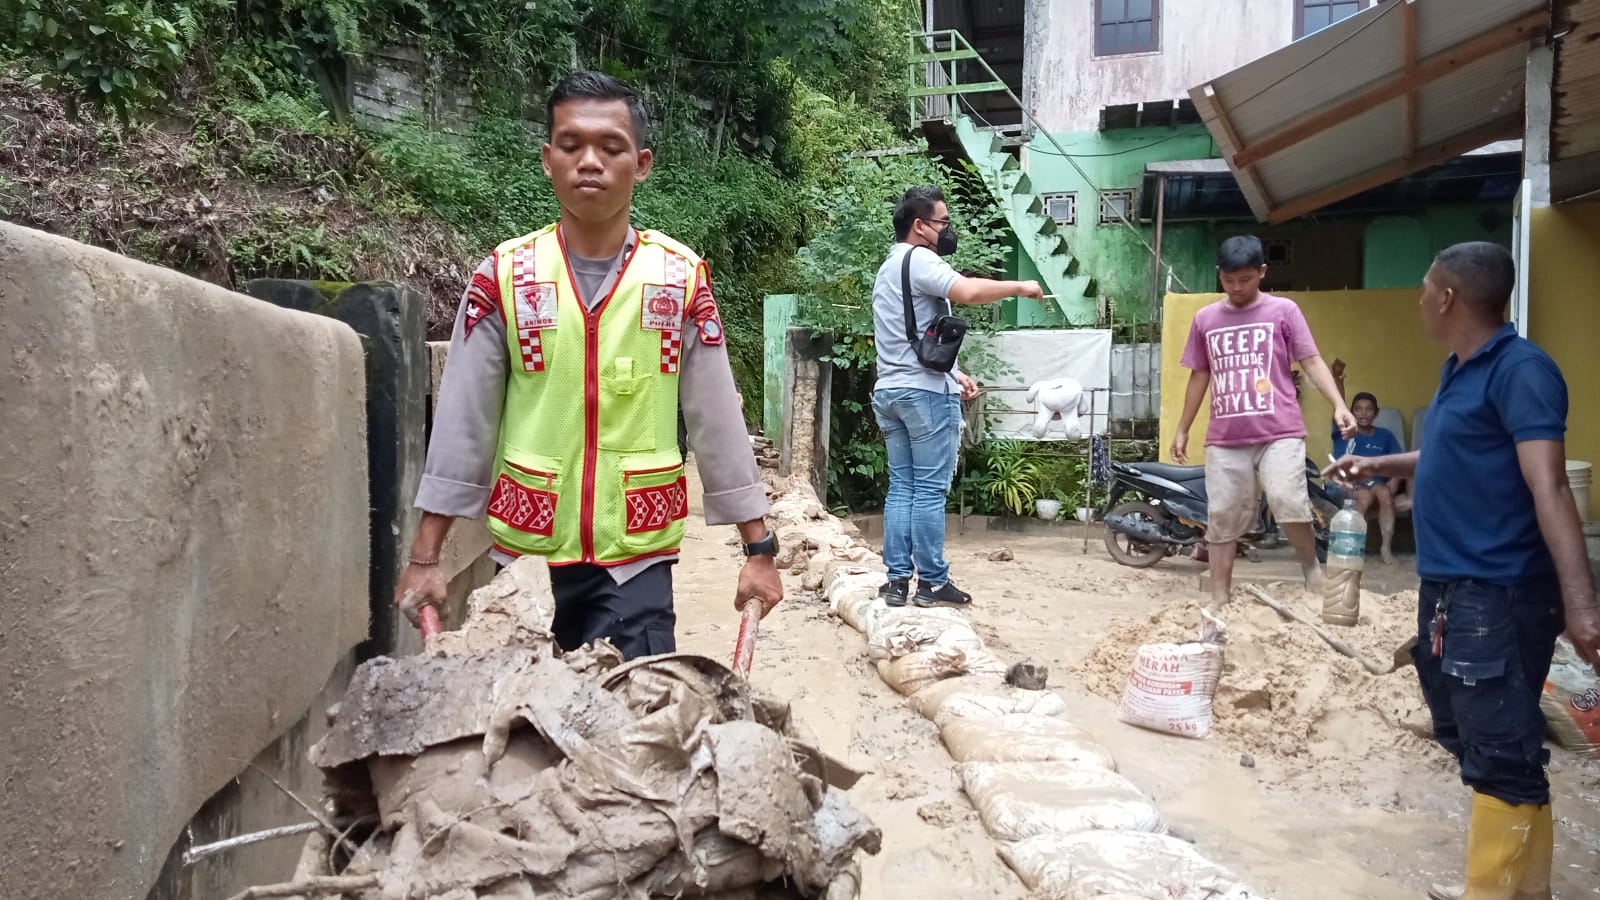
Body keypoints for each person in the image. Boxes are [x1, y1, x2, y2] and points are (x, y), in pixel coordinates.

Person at [393, 71, 783, 660]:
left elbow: (716, 420)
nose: (590, 162)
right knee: (523, 736)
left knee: (634, 731)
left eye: (611, 147)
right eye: (571, 146)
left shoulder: (678, 280)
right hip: (524, 566)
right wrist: (425, 558)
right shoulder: (505, 277)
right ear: (548, 160)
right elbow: (463, 423)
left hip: (636, 564)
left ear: (642, 162)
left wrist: (760, 550)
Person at [1326, 242, 1600, 900]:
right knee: (1468, 730)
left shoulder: (1521, 371)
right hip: (1451, 586)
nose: (1421, 297)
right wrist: (1381, 466)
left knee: (1500, 750)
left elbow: (1551, 488)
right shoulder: (1460, 370)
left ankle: (1496, 890)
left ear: (1447, 297)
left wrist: (1581, 605)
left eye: (1425, 287)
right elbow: (1455, 450)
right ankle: (1520, 886)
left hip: (1497, 590)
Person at [872, 185, 1044, 608]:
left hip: (890, 391)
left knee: (902, 488)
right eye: (943, 222)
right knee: (929, 491)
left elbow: (907, 340)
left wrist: (955, 373)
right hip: (923, 396)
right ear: (919, 226)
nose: (947, 230)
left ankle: (896, 582)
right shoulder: (921, 259)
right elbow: (965, 291)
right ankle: (931, 582)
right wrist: (1020, 286)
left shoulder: (888, 267)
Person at [1172, 235, 1356, 622]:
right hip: (1226, 438)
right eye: (1229, 280)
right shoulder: (1206, 319)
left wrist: (1339, 405)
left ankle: (1311, 572)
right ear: (1220, 275)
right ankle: (1220, 596)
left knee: (1289, 499)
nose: (1237, 288)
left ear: (1261, 273)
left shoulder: (1284, 311)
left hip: (1280, 431)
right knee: (1223, 514)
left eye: (1245, 280)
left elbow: (1312, 361)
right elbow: (1199, 376)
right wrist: (1183, 428)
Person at [1329, 361, 1404, 563]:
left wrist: (1395, 479)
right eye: (1358, 409)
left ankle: (1385, 548)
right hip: (1346, 483)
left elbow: (1399, 461)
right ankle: (1355, 548)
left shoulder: (1385, 435)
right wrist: (1337, 379)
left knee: (1384, 494)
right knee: (1364, 497)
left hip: (1375, 483)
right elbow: (1339, 404)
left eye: (1368, 409)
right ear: (1351, 412)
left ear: (1376, 413)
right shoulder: (1344, 430)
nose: (1363, 413)